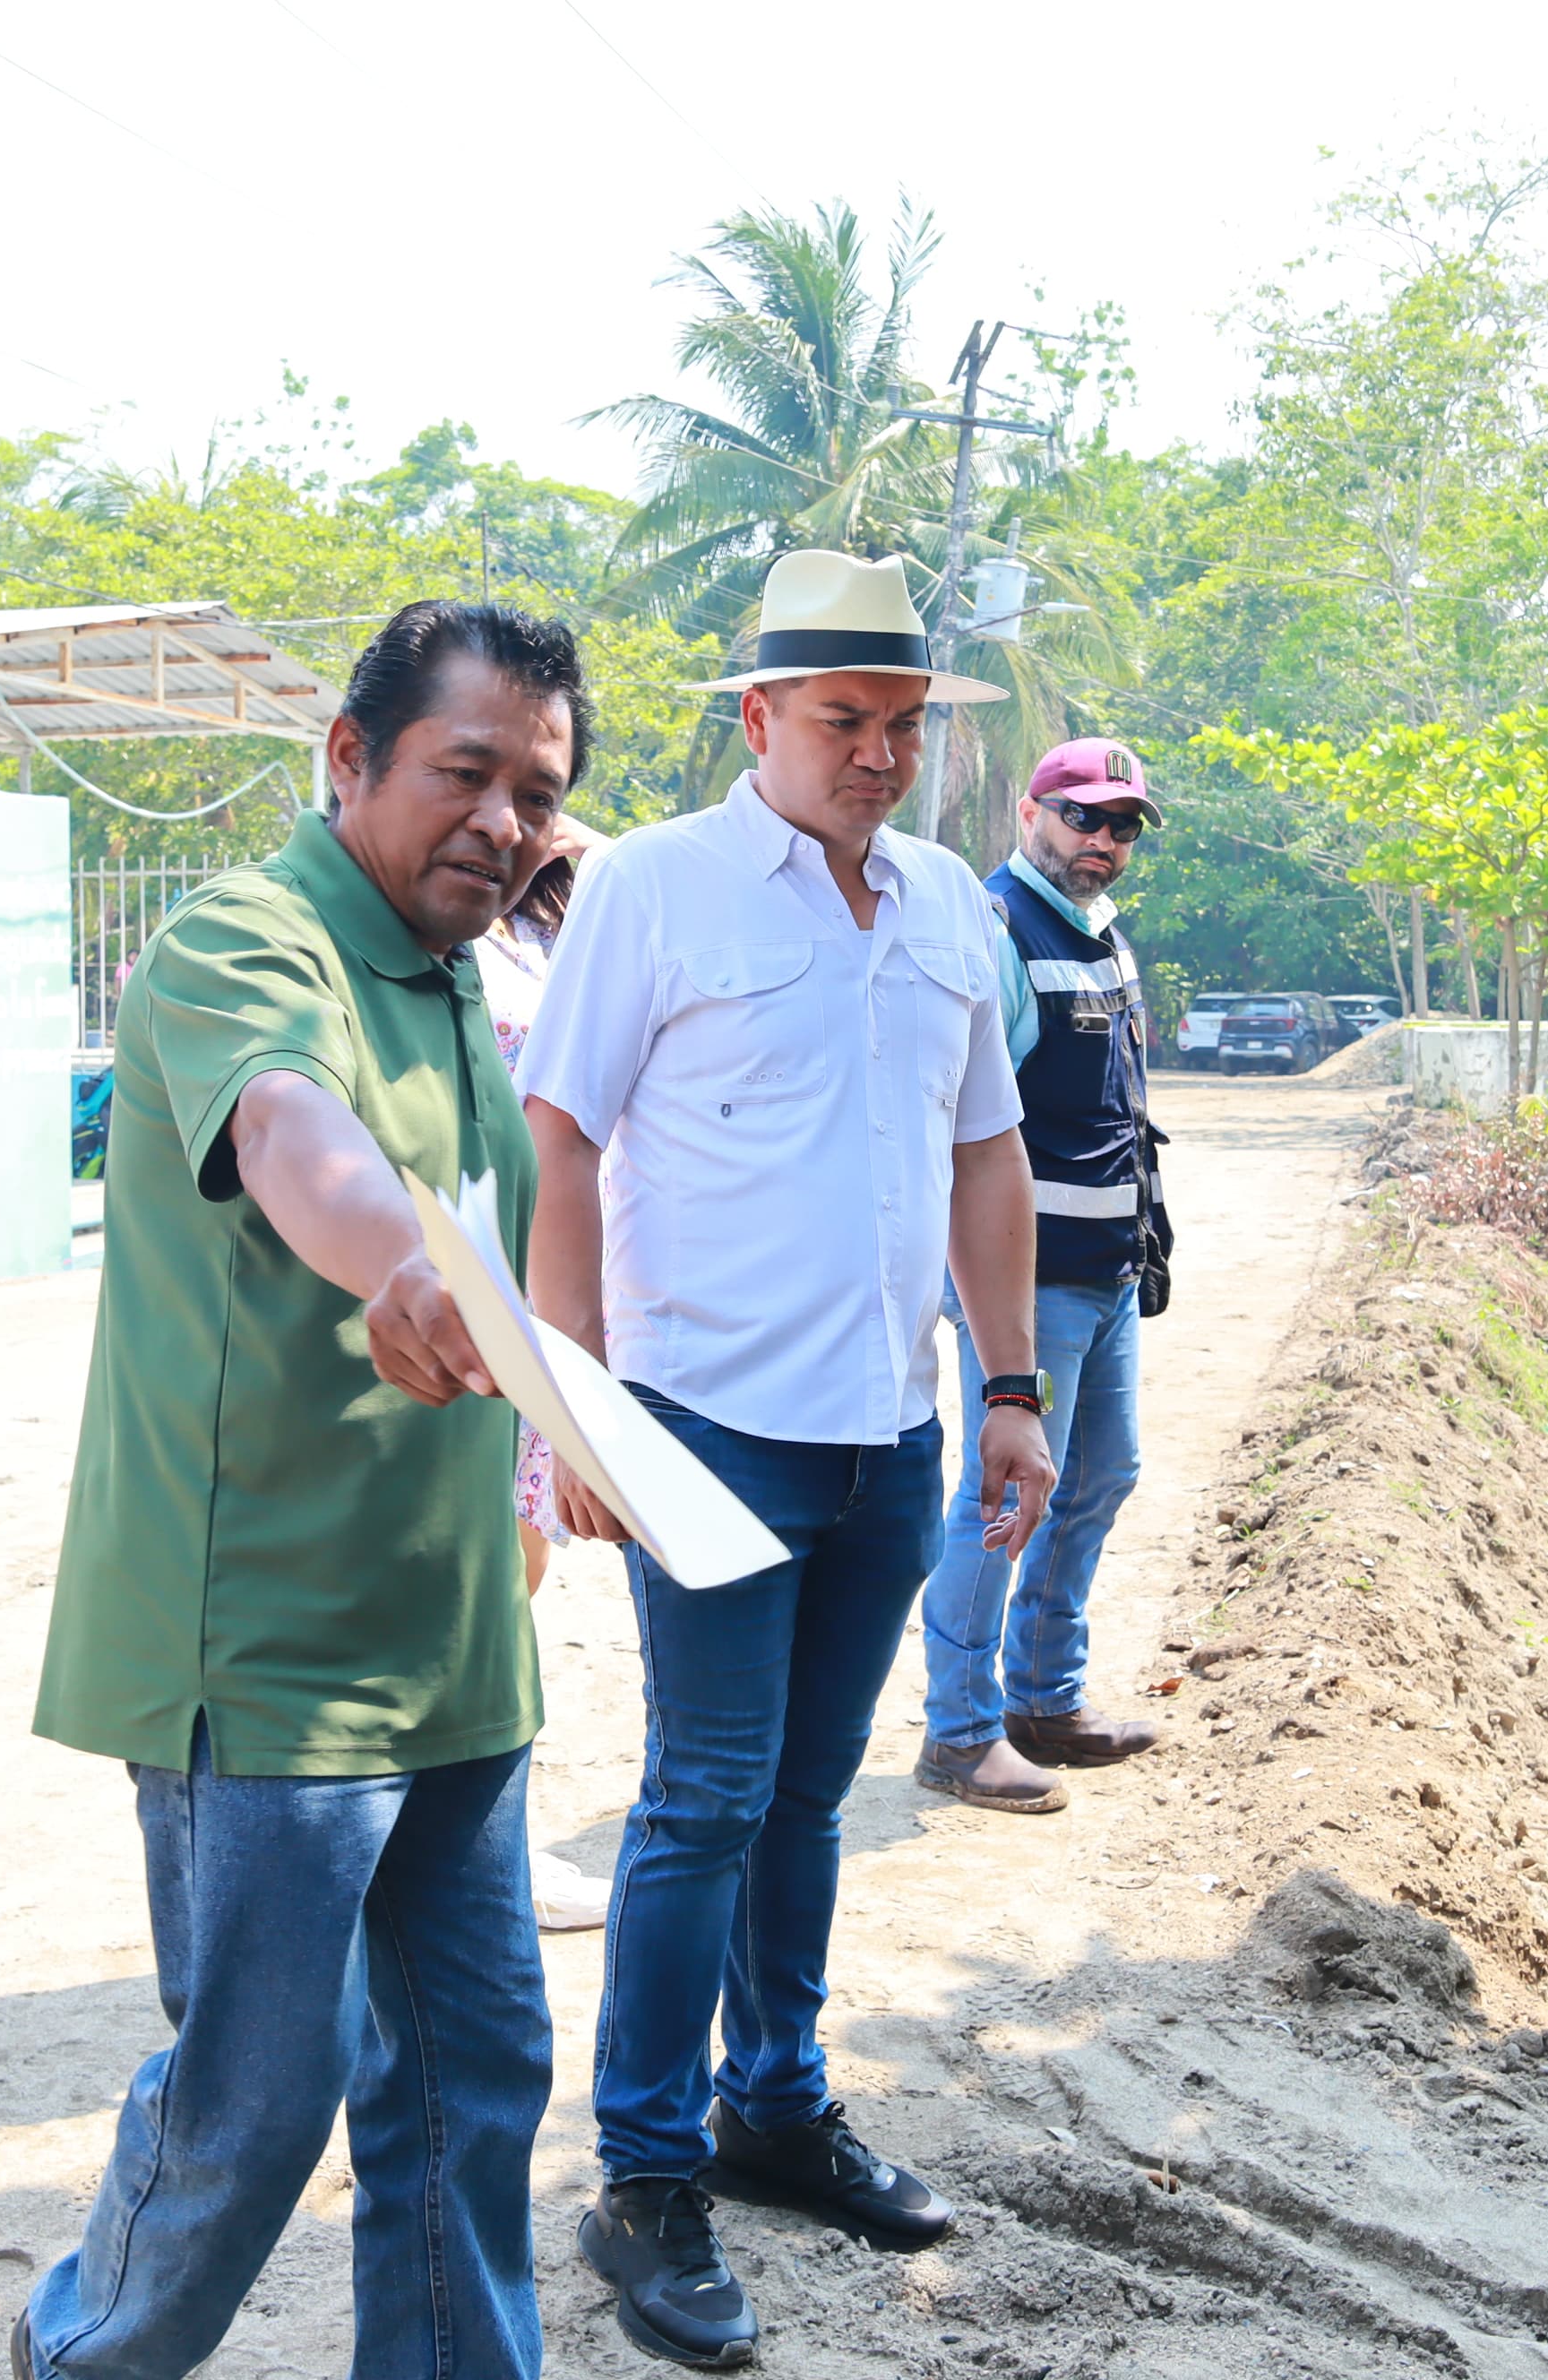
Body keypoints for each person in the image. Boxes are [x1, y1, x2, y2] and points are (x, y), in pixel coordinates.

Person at [23, 601, 582, 2380]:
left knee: (478, 2070)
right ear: (347, 756)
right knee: (257, 2097)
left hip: (453, 1638)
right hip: (269, 1646)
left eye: (536, 793)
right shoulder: (244, 940)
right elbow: (290, 1128)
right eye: (463, 772)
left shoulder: (454, 969)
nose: (502, 822)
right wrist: (398, 1264)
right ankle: (85, 2353)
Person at [522, 549, 1059, 2369]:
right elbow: (560, 1140)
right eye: (845, 720)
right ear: (759, 717)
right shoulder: (655, 887)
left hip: (890, 1435)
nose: (880, 755)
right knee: (704, 1798)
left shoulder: (944, 904)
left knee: (809, 1797)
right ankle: (643, 2172)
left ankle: (774, 2101)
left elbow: (985, 1156)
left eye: (904, 723)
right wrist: (574, 1408)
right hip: (705, 1425)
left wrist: (1007, 1386)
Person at [913, 740, 1174, 1814]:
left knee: (1100, 1476)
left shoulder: (1102, 936)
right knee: (1004, 1495)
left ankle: (1043, 1699)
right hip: (1029, 1288)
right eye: (1083, 817)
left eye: (1123, 826)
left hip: (1107, 1273)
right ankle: (960, 1730)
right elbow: (967, 1132)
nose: (1103, 840)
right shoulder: (997, 932)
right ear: (1029, 812)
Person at [468, 812, 618, 1936]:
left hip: (532, 1295)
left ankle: (489, 1851)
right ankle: (481, 1858)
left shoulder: (544, 934)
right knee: (476, 1582)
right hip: (460, 1285)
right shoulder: (438, 938)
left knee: (509, 1575)